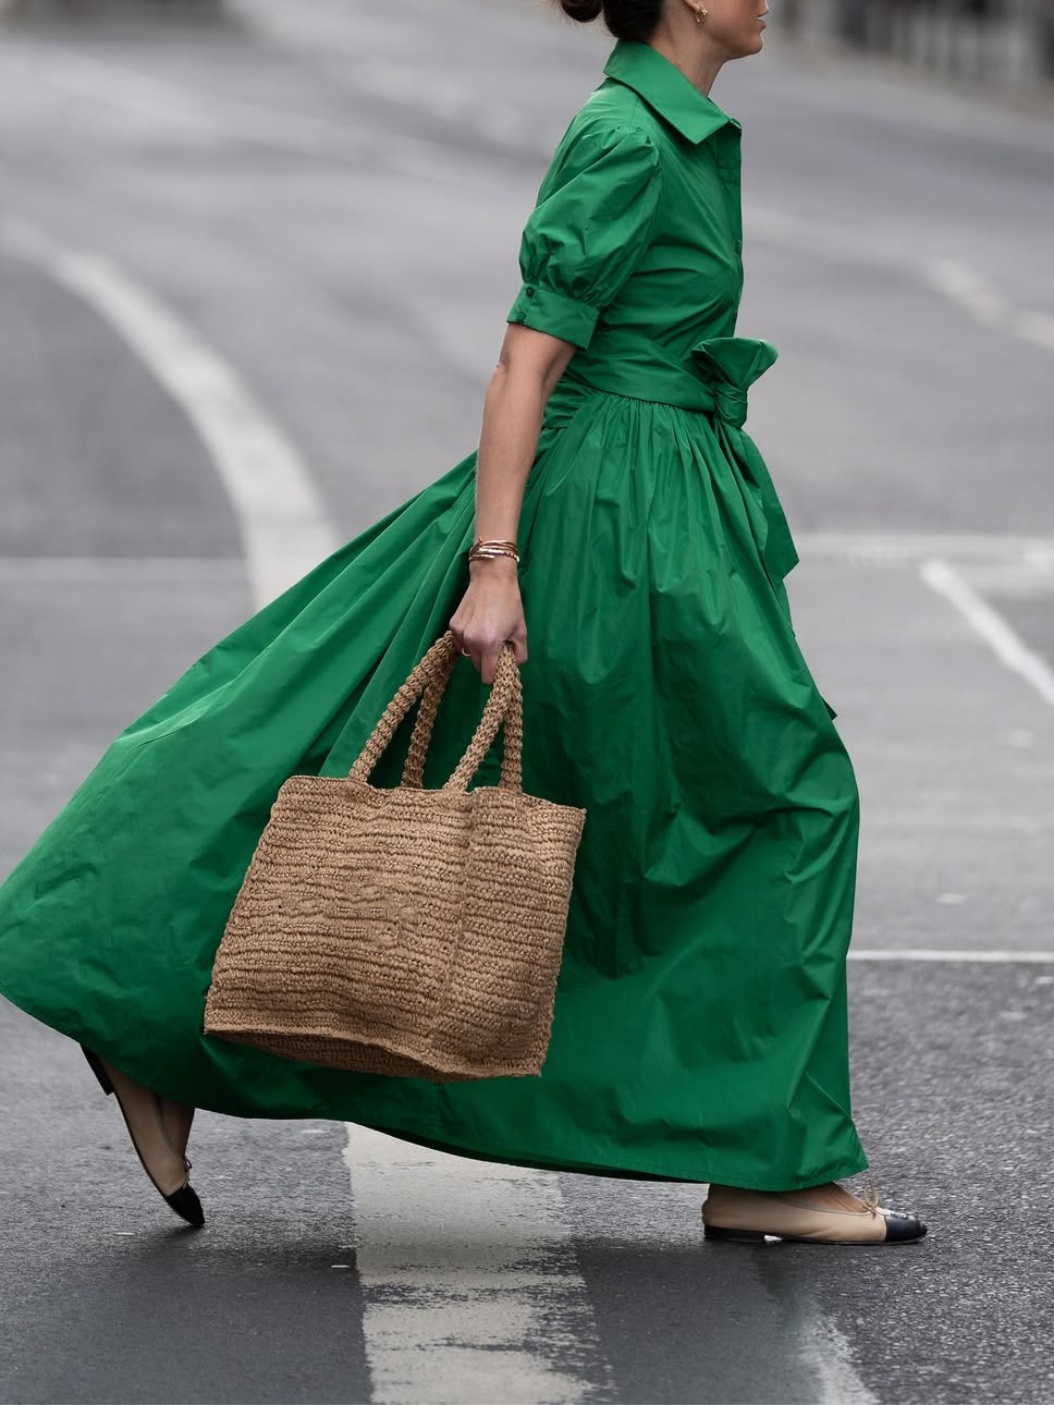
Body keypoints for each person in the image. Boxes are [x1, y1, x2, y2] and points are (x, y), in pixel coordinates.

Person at [0, 0, 926, 1246]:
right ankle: (138, 1005)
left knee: (665, 814)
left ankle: (762, 1148)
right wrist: (495, 566)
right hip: (609, 521)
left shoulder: (683, 132)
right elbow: (524, 364)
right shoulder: (627, 135)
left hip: (666, 514)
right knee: (780, 795)